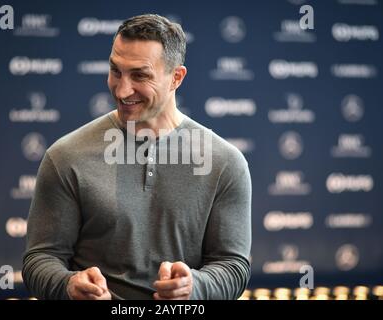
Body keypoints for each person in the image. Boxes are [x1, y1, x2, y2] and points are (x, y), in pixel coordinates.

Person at [22, 14, 251, 300]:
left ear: (176, 78)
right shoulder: (65, 156)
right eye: (115, 71)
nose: (122, 89)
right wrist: (69, 285)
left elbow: (233, 266)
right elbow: (39, 260)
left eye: (139, 75)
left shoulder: (225, 163)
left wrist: (195, 287)